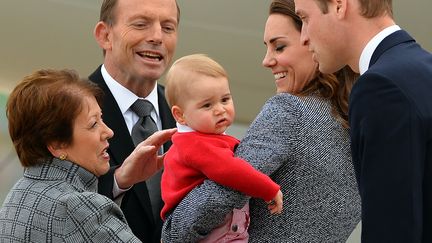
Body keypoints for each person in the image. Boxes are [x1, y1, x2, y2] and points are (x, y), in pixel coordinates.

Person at [161, 0, 361, 242]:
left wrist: (171, 229)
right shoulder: (358, 125)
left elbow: (225, 189)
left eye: (279, 47)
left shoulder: (289, 111)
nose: (266, 61)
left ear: (312, 40)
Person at [293, 0, 432, 242]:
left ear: (339, 5)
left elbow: (392, 230)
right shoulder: (420, 70)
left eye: (304, 19)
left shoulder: (381, 87)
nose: (303, 38)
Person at [0, 69, 176, 242]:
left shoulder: (18, 195)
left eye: (102, 118)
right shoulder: (75, 206)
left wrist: (122, 178)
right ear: (57, 144)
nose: (108, 131)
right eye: (93, 124)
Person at [161, 54, 283, 242]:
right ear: (180, 115)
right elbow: (230, 170)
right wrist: (269, 189)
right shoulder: (194, 144)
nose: (220, 109)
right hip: (208, 231)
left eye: (225, 99)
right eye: (207, 105)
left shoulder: (208, 137)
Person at [89, 0, 178, 241]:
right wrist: (118, 182)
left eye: (168, 28)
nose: (157, 37)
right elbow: (52, 201)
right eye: (141, 24)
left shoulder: (187, 111)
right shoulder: (67, 111)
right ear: (105, 36)